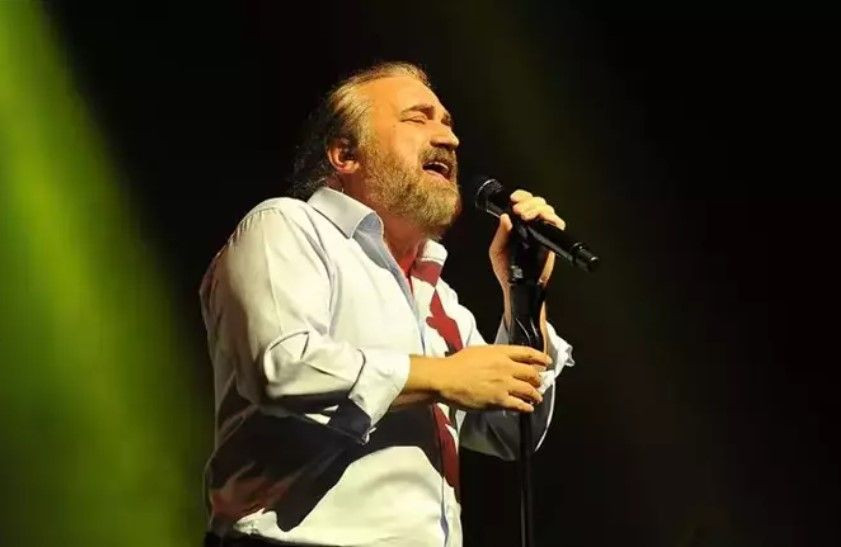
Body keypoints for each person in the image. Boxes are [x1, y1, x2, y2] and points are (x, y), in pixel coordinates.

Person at [200, 61, 574, 547]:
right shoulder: (287, 227)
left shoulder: (439, 298)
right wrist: (441, 376)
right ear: (344, 154)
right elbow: (281, 366)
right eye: (419, 118)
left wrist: (525, 294)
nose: (449, 139)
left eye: (448, 124)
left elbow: (507, 431)